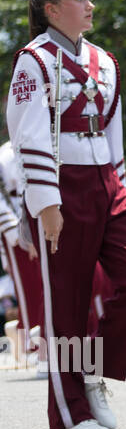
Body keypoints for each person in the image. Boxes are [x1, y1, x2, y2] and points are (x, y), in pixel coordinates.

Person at [8, 0, 126, 429]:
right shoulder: (34, 60)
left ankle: (93, 369)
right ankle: (69, 416)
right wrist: (45, 202)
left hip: (107, 184)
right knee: (67, 305)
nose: (91, 5)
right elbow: (26, 132)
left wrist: (122, 185)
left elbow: (114, 130)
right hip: (61, 186)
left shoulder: (105, 61)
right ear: (52, 10)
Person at [0, 139, 43, 369]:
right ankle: (32, 345)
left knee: (44, 287)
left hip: (42, 221)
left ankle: (31, 336)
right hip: (18, 230)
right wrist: (17, 234)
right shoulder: (4, 155)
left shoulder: (39, 142)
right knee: (30, 290)